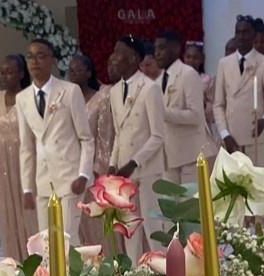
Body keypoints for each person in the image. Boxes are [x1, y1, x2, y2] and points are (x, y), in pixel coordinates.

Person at [16, 38, 94, 240]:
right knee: (47, 241)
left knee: (67, 238)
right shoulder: (22, 98)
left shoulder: (69, 91)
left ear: (52, 61)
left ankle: (75, 272)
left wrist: (83, 174)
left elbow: (86, 138)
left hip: (70, 178)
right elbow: (26, 147)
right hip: (42, 181)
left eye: (41, 56)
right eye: (30, 57)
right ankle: (51, 273)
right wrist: (26, 188)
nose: (35, 62)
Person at [108, 36, 166, 253]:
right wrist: (113, 164)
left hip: (147, 170)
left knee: (152, 227)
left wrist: (133, 163)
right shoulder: (114, 92)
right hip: (124, 174)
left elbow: (157, 136)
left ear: (132, 58)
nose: (113, 57)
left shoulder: (149, 88)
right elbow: (118, 133)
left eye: (118, 52)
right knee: (128, 229)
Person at [0, 54, 37, 258]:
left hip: (26, 160)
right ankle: (16, 264)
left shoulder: (30, 97)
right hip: (3, 163)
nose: (5, 76)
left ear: (20, 73)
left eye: (10, 72)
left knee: (30, 214)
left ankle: (38, 262)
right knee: (8, 215)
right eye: (2, 72)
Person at [213, 15, 264, 166]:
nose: (241, 36)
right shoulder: (224, 63)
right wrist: (224, 133)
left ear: (253, 35)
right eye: (238, 32)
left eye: (246, 32)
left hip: (254, 136)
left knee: (254, 185)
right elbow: (218, 104)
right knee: (233, 186)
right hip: (230, 137)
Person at [68, 52, 114, 246]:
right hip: (71, 166)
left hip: (94, 167)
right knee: (75, 222)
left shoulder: (99, 99)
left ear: (88, 73)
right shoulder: (66, 99)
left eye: (78, 70)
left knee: (94, 218)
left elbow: (104, 137)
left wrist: (97, 169)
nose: (73, 74)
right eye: (70, 70)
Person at [154, 30, 209, 183]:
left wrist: (164, 113)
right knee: (170, 204)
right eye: (156, 49)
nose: (157, 53)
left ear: (176, 49)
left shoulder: (188, 74)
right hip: (168, 154)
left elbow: (196, 115)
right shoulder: (159, 80)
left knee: (190, 204)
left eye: (162, 48)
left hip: (189, 155)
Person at [183, 40, 218, 143]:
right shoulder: (178, 78)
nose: (191, 61)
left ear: (201, 59)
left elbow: (213, 107)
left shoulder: (207, 80)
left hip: (201, 127)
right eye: (188, 57)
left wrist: (203, 105)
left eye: (195, 58)